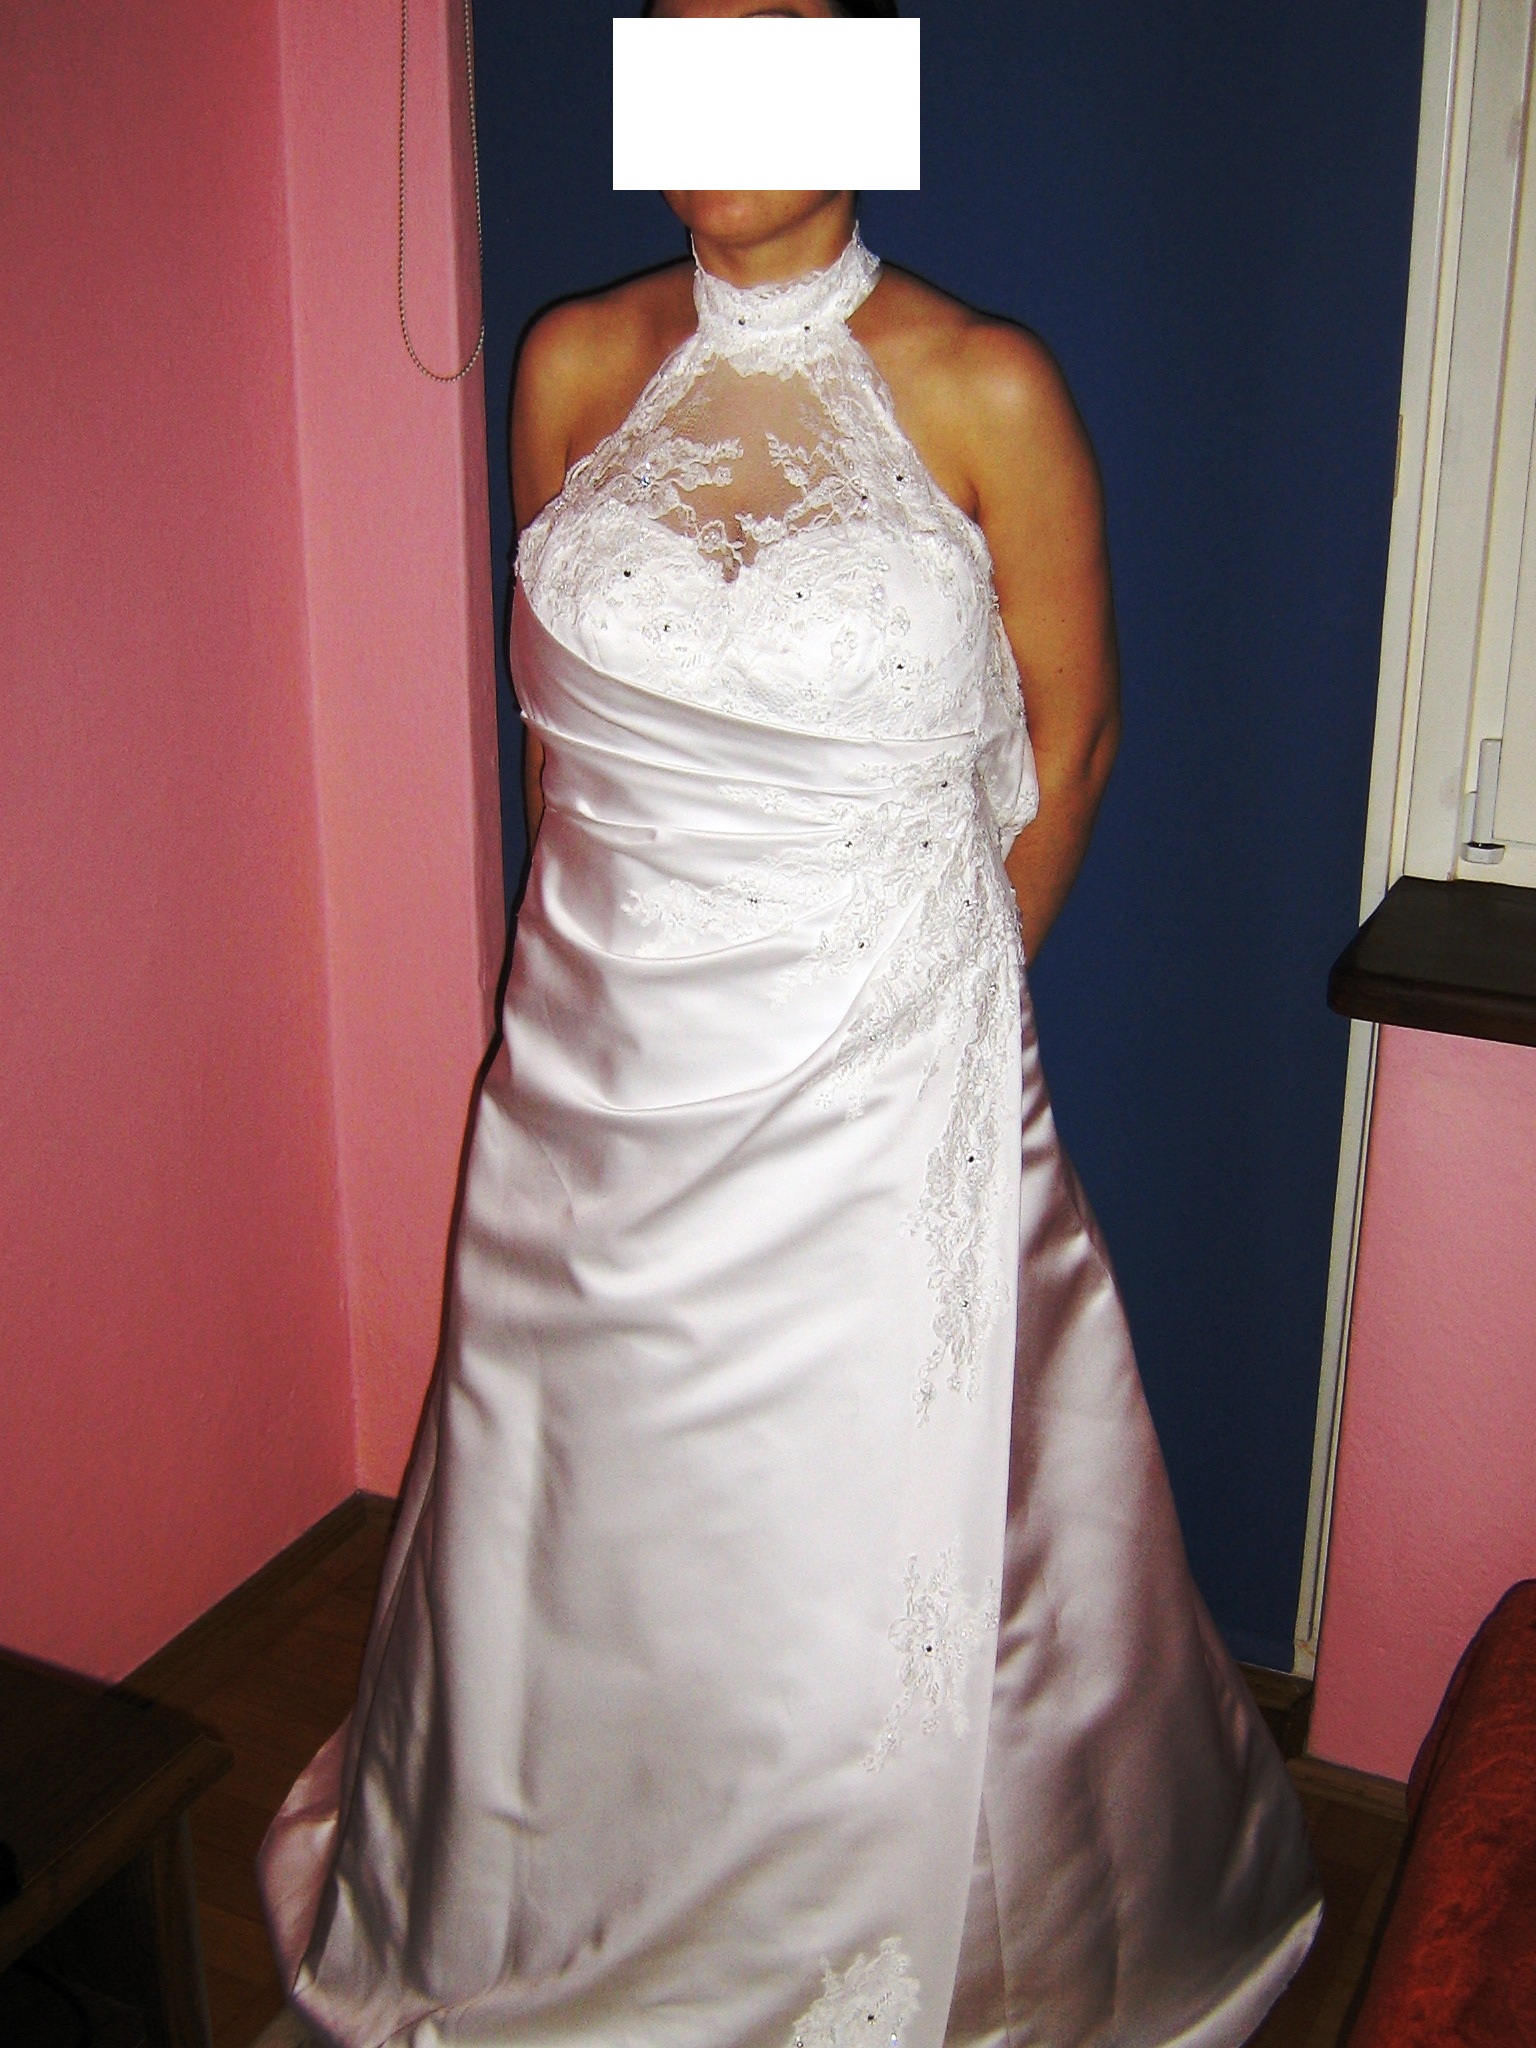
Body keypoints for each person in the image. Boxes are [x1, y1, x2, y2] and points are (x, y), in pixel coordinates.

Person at [259, 12, 1323, 2044]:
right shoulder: (569, 364)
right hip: (593, 1087)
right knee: (587, 1537)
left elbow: (1077, 737)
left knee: (846, 1556)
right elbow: (568, 751)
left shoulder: (988, 386)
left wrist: (938, 1015)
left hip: (878, 1093)